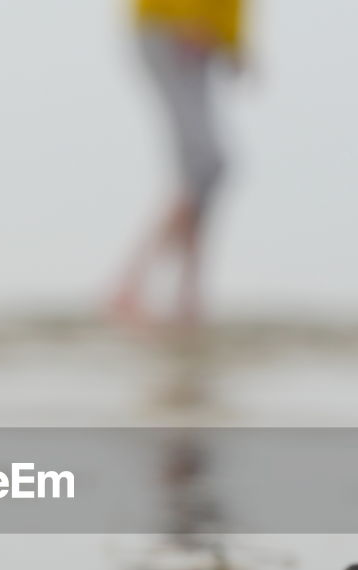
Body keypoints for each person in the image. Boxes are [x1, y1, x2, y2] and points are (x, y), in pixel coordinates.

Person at [111, 0, 247, 332]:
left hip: (201, 36)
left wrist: (235, 39)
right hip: (171, 27)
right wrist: (190, 17)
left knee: (206, 169)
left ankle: (187, 301)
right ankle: (131, 286)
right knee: (205, 162)